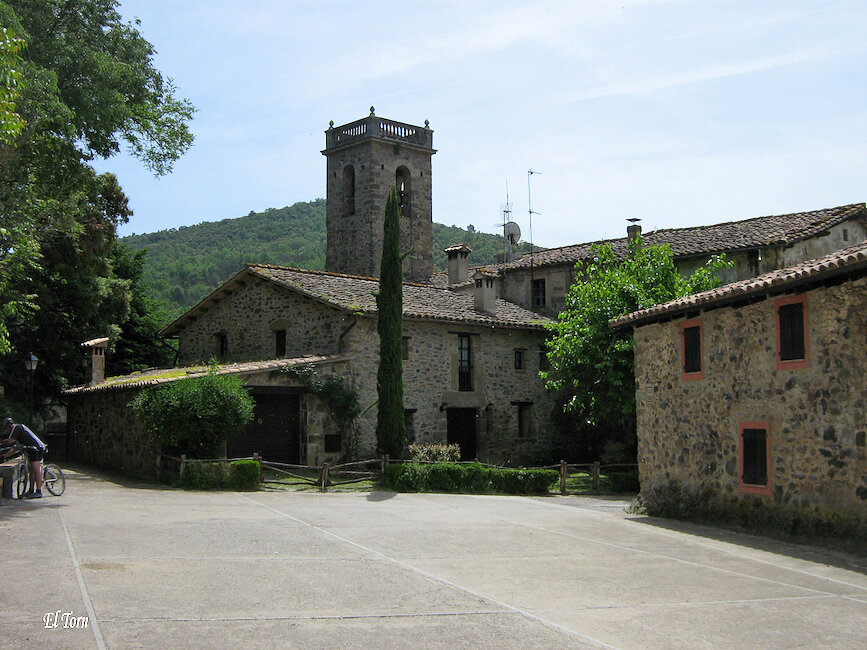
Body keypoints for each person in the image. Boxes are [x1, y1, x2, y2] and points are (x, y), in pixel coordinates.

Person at [1, 417, 47, 498]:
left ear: (9, 426)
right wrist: (4, 455)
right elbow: (15, 449)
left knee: (36, 469)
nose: (6, 431)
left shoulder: (17, 428)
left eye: (6, 429)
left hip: (37, 448)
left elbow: (10, 441)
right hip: (31, 450)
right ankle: (31, 490)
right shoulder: (18, 435)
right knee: (31, 471)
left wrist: (1, 442)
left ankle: (39, 491)